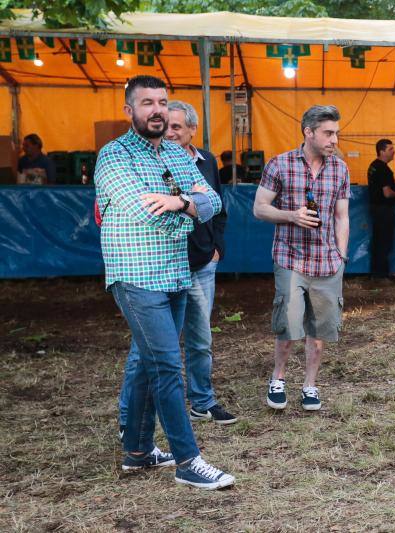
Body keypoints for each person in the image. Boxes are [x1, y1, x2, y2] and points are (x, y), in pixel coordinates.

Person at [94, 75, 234, 489]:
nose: (156, 110)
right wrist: (188, 210)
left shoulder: (174, 152)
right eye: (146, 103)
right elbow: (143, 212)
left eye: (162, 102)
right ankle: (189, 461)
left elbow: (214, 202)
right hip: (136, 277)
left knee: (145, 363)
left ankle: (137, 452)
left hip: (175, 272)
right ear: (129, 111)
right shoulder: (113, 157)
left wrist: (180, 201)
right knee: (167, 366)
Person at [253, 105, 350, 412]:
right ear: (309, 132)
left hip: (327, 262)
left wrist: (341, 256)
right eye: (328, 133)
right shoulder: (279, 164)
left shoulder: (340, 169)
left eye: (336, 133)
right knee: (288, 325)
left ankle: (310, 385)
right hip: (290, 259)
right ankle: (278, 378)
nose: (334, 139)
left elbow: (342, 216)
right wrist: (291, 216)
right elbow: (259, 208)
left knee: (320, 330)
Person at [367, 139, 395, 277]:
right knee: (384, 241)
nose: (394, 152)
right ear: (382, 151)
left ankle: (377, 271)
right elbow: (387, 193)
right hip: (384, 210)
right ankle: (382, 273)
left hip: (375, 208)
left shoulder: (373, 166)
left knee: (378, 241)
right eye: (391, 149)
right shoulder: (384, 169)